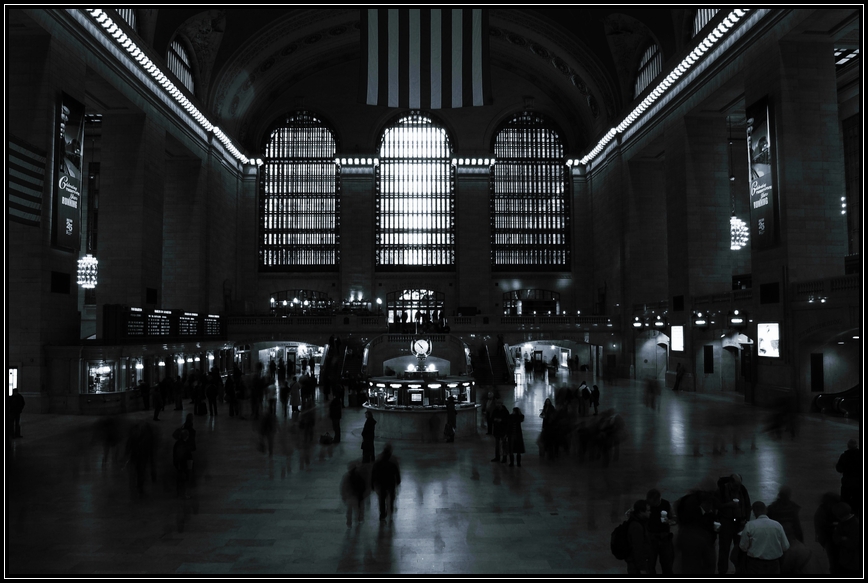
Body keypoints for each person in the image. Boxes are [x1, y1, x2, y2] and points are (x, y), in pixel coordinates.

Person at [738, 501, 790, 575]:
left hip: (754, 565)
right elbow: (785, 546)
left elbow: (743, 547)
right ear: (766, 510)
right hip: (773, 564)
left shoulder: (750, 525)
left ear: (754, 512)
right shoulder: (777, 525)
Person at [715, 473, 751, 574]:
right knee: (724, 549)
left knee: (740, 548)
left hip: (739, 523)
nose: (737, 487)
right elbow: (716, 505)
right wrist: (729, 505)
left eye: (739, 485)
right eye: (736, 485)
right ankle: (722, 571)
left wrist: (746, 519)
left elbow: (748, 505)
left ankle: (740, 571)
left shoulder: (742, 490)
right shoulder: (721, 490)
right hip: (726, 522)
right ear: (730, 482)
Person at [646, 488, 675, 575]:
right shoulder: (645, 505)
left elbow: (674, 518)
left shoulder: (666, 504)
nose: (652, 505)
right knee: (649, 565)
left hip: (664, 538)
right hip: (650, 538)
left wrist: (669, 522)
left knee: (667, 565)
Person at [371, 444, 401, 523]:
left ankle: (382, 514)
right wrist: (397, 482)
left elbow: (373, 474)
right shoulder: (392, 462)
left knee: (381, 499)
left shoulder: (378, 462)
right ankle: (390, 512)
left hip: (381, 483)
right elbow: (397, 473)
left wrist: (372, 484)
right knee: (391, 498)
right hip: (390, 483)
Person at [813, 492, 841, 575]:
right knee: (835, 561)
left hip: (829, 539)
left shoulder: (821, 511)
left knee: (833, 560)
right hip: (831, 539)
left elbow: (819, 528)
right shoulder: (826, 511)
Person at [831, 502, 861, 577]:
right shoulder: (848, 522)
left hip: (852, 562)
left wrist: (841, 539)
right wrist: (843, 539)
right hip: (847, 560)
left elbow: (853, 544)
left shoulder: (855, 525)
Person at [626, 499, 652, 574]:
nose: (650, 512)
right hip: (636, 566)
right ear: (641, 512)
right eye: (648, 510)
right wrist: (642, 568)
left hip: (636, 564)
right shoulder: (637, 526)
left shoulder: (638, 523)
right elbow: (638, 548)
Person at [835, 439, 860, 515]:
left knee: (845, 501)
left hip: (847, 483)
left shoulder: (844, 456)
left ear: (848, 446)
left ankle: (846, 515)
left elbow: (839, 468)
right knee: (857, 502)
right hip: (858, 483)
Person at [341, 461, 368, 527]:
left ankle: (349, 522)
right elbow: (363, 486)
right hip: (357, 496)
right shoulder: (359, 475)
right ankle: (358, 520)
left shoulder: (346, 476)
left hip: (349, 496)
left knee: (349, 510)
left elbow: (343, 487)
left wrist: (344, 496)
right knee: (357, 510)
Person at [172, 429, 193, 499]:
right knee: (185, 479)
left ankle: (179, 493)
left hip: (179, 465)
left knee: (179, 480)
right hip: (184, 465)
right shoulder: (185, 445)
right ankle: (184, 494)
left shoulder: (177, 443)